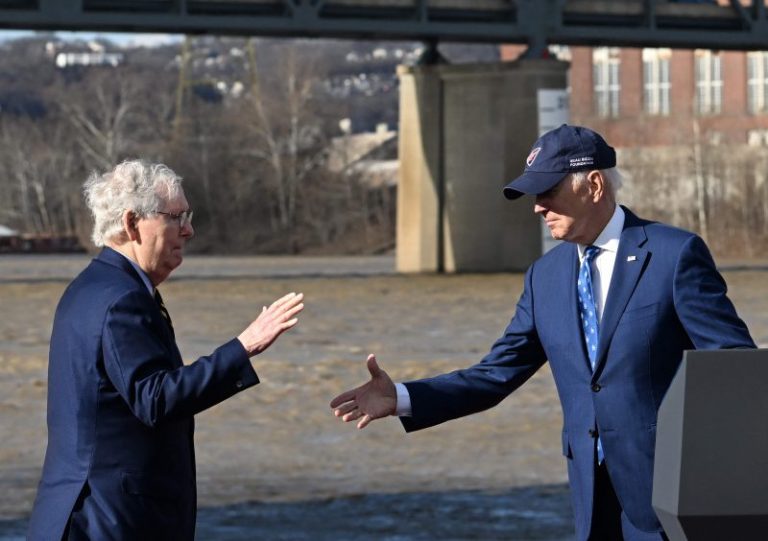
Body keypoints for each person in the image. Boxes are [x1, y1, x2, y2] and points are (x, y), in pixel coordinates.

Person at [330, 124, 755, 541]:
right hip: (592, 504)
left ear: (593, 185)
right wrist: (402, 397)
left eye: (548, 191)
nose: (537, 206)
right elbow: (494, 375)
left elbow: (734, 369)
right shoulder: (544, 278)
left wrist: (728, 487)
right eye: (534, 195)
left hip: (672, 501)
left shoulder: (673, 255)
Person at [27, 160, 304, 541]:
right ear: (131, 223)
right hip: (110, 522)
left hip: (83, 515)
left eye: (187, 216)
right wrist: (244, 347)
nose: (188, 230)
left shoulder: (90, 287)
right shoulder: (122, 298)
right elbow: (154, 398)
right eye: (175, 217)